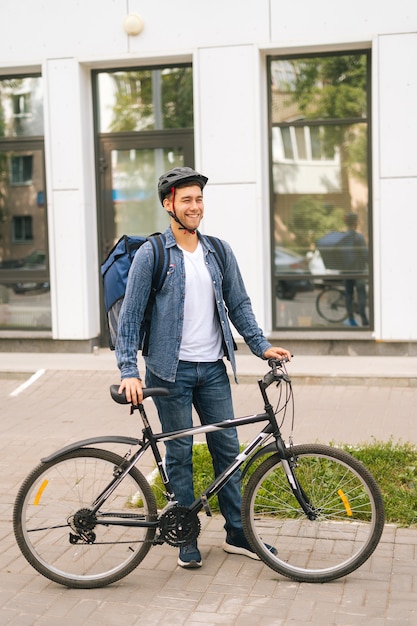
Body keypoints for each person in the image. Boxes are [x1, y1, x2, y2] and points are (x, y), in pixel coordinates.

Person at [115, 166, 291, 569]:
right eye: (187, 199)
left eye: (199, 199)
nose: (195, 207)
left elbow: (239, 305)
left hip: (212, 369)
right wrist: (129, 371)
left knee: (227, 450)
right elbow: (131, 316)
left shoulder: (218, 250)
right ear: (169, 204)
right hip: (168, 371)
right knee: (179, 453)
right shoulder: (153, 253)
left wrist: (261, 347)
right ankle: (185, 534)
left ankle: (236, 532)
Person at [342, 212, 369, 327]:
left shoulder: (343, 237)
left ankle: (351, 319)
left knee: (348, 294)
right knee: (361, 294)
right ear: (355, 222)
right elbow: (364, 253)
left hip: (346, 270)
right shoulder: (358, 237)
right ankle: (364, 319)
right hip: (358, 270)